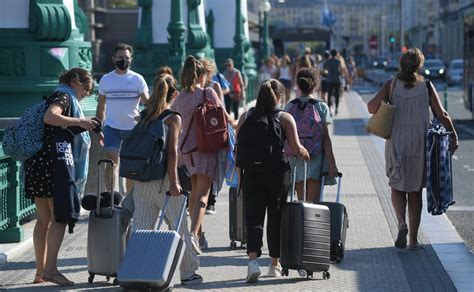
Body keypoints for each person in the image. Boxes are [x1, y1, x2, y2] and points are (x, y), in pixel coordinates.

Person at [368, 48, 459, 250]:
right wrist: (452, 134)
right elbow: (441, 113)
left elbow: (371, 108)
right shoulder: (426, 85)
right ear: (420, 65)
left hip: (397, 140)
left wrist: (387, 100)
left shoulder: (391, 84)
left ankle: (401, 223)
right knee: (415, 191)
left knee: (397, 186)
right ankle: (413, 241)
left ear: (400, 64)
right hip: (421, 141)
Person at [25, 68, 98, 286]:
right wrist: (80, 122)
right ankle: (51, 270)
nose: (85, 94)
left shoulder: (55, 94)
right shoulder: (64, 96)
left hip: (38, 163)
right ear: (75, 81)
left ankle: (40, 272)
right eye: (86, 89)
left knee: (44, 219)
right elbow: (51, 117)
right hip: (53, 165)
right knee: (60, 217)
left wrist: (81, 121)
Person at [130, 73, 203, 285]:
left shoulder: (144, 115)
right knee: (179, 228)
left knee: (141, 228)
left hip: (142, 180)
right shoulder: (172, 117)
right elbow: (172, 152)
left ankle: (137, 271)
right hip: (165, 181)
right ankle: (188, 273)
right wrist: (174, 182)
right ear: (175, 94)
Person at [236, 79, 310, 283]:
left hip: (251, 173)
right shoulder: (285, 118)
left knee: (253, 217)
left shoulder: (246, 116)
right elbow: (296, 148)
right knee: (276, 216)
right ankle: (274, 265)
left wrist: (240, 174)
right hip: (277, 174)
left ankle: (252, 262)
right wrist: (305, 152)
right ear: (279, 98)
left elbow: (238, 147)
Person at [172, 56, 232, 255]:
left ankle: (193, 232)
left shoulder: (179, 97)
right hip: (204, 148)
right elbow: (223, 116)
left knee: (194, 195)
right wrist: (238, 125)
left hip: (185, 151)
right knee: (203, 197)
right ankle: (193, 235)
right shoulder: (207, 93)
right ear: (202, 75)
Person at [96, 43, 149, 193]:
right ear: (113, 59)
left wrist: (143, 118)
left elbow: (148, 104)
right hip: (112, 128)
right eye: (120, 57)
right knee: (111, 162)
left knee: (130, 166)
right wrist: (98, 127)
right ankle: (112, 197)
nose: (123, 60)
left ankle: (128, 199)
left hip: (133, 129)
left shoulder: (138, 79)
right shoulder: (106, 80)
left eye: (126, 57)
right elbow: (101, 106)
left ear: (131, 59)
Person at [287, 68, 339, 203]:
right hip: (315, 158)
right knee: (313, 205)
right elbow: (326, 138)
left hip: (297, 157)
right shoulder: (321, 107)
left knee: (300, 203)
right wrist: (332, 164)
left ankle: (299, 224)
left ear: (298, 85)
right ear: (315, 85)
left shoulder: (290, 106)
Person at [324, 49, 342, 115]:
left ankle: (329, 109)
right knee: (337, 95)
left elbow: (324, 68)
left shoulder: (328, 61)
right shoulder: (338, 61)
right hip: (337, 79)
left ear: (331, 54)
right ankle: (336, 109)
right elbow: (340, 70)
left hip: (329, 79)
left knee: (329, 94)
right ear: (336, 54)